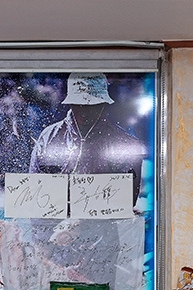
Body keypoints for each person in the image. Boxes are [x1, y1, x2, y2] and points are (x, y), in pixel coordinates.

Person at [29, 73, 146, 205]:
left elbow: (128, 200)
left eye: (92, 106)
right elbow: (35, 189)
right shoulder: (49, 137)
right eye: (79, 105)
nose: (84, 112)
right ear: (70, 103)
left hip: (103, 217)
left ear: (103, 104)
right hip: (54, 216)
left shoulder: (125, 145)